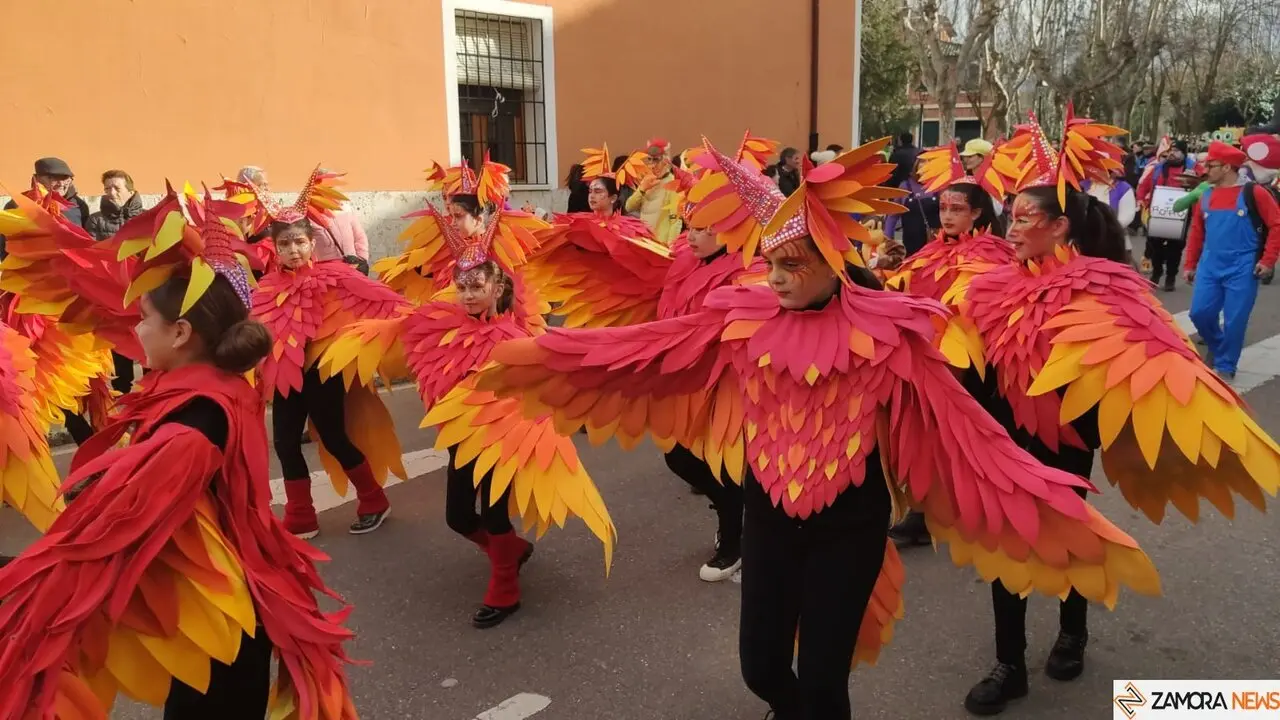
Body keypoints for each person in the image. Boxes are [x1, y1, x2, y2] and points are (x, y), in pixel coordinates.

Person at [478, 136, 1160, 720]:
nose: (774, 277)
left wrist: (1047, 502)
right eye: (771, 263)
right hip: (769, 514)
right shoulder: (740, 318)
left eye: (791, 265)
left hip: (848, 526)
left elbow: (963, 430)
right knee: (762, 671)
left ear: (831, 266)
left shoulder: (890, 335)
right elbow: (645, 353)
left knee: (827, 681)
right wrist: (542, 359)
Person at [948, 107, 1280, 716]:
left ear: (1062, 227)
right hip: (1000, 437)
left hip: (1067, 436)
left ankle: (1072, 632)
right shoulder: (991, 284)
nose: (1012, 228)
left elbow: (1158, 353)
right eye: (1009, 216)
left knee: (1069, 534)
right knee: (1003, 546)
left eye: (1026, 218)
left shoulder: (1103, 284)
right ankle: (1009, 662)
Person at [0, 187, 359, 717]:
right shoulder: (212, 383)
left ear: (183, 331)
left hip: (218, 622)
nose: (135, 328)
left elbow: (106, 537)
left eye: (144, 318)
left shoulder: (192, 423)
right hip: (217, 608)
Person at [320, 155, 615, 628]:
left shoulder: (516, 341)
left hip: (502, 438)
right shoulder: (441, 326)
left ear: (500, 289)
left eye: (477, 286)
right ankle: (512, 551)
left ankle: (505, 586)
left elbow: (549, 380)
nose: (468, 294)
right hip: (462, 437)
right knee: (459, 517)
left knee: (493, 513)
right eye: (462, 287)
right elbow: (403, 326)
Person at [883, 140, 1015, 546]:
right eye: (943, 208)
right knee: (923, 436)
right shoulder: (931, 249)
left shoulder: (994, 252)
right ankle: (925, 512)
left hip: (965, 364)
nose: (947, 215)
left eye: (957, 209)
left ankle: (964, 509)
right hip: (925, 356)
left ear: (977, 212)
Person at [252, 204, 405, 539]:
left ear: (311, 243)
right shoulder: (267, 287)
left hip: (324, 372)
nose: (293, 250)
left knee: (334, 438)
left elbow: (387, 303)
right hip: (284, 375)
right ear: (275, 249)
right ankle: (301, 515)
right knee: (285, 442)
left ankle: (373, 500)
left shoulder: (337, 276)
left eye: (299, 243)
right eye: (285, 244)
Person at [525, 144, 672, 329]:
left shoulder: (631, 228)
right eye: (590, 191)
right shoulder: (580, 222)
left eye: (598, 191)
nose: (592, 196)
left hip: (618, 297)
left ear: (613, 198)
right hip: (585, 293)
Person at [1184, 140, 1280, 381]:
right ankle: (1219, 349)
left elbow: (1276, 225)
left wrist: (1268, 260)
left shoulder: (1254, 192)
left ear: (1227, 168)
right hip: (1210, 264)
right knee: (1199, 314)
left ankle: (1226, 366)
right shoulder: (1205, 195)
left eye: (1211, 165)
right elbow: (1197, 231)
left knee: (1235, 320)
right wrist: (1190, 264)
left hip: (1243, 266)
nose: (1205, 169)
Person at [1137, 139, 1196, 290]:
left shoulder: (1194, 169)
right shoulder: (1157, 168)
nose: (1172, 154)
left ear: (1184, 153)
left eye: (1177, 151)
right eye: (1171, 150)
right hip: (1158, 212)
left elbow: (1203, 186)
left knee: (1175, 248)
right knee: (1154, 245)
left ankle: (1170, 277)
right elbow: (1143, 186)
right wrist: (1141, 199)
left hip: (1181, 215)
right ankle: (1156, 273)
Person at [625, 137, 683, 244]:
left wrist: (671, 246)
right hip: (644, 239)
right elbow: (629, 207)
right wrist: (642, 189)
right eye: (649, 159)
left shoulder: (672, 183)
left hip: (660, 243)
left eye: (656, 159)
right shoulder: (646, 180)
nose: (652, 164)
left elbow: (675, 220)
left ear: (665, 160)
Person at [881, 156, 942, 256]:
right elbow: (894, 215)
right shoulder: (905, 186)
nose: (925, 167)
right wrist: (887, 237)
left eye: (929, 164)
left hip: (933, 243)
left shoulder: (938, 186)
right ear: (916, 167)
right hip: (909, 243)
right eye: (922, 164)